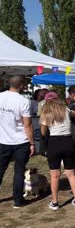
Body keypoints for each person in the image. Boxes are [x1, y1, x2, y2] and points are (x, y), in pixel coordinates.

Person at [40, 92, 75, 210]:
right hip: (68, 141)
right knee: (71, 173)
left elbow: (43, 132)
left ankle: (55, 202)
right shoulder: (66, 110)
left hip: (54, 142)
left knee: (55, 175)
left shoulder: (46, 113)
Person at [0, 76, 35, 208]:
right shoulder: (24, 101)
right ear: (21, 86)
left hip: (3, 140)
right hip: (20, 141)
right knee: (19, 171)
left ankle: (18, 200)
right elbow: (27, 125)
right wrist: (32, 143)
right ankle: (18, 201)